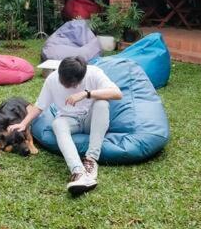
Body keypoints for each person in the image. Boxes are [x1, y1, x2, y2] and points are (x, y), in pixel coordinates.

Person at [9, 56, 122, 195]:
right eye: (64, 81)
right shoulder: (52, 79)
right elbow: (40, 105)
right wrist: (23, 123)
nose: (67, 86)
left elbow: (117, 93)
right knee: (57, 123)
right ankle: (78, 172)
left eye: (72, 84)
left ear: (81, 77)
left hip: (90, 119)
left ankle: (91, 160)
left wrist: (86, 94)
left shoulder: (94, 73)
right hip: (69, 120)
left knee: (102, 103)